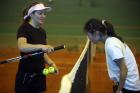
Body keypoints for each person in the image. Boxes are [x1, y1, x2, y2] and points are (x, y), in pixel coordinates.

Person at [84, 18, 140, 93]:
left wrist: (119, 90)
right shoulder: (111, 40)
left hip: (129, 88)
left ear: (96, 33)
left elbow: (124, 69)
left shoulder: (111, 45)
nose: (88, 38)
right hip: (128, 85)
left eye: (88, 35)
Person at [15, 2, 58, 93]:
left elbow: (43, 53)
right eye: (40, 13)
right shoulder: (24, 28)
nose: (43, 16)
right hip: (26, 74)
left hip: (40, 74)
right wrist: (42, 46)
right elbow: (22, 46)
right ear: (32, 15)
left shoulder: (42, 32)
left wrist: (51, 63)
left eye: (44, 14)